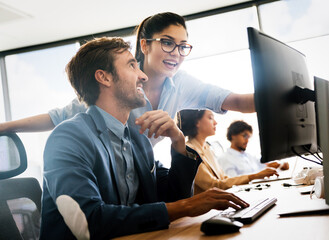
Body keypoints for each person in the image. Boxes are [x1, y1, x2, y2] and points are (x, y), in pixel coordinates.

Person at [40, 37, 249, 239]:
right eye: (132, 66)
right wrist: (186, 206)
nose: (143, 76)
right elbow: (88, 222)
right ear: (104, 77)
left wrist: (178, 142)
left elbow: (173, 199)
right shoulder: (68, 137)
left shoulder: (136, 138)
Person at [0, 12, 254, 146]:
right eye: (167, 43)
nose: (176, 53)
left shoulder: (184, 84)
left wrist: (286, 95)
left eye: (182, 46)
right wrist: (4, 128)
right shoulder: (118, 85)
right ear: (144, 45)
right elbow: (56, 117)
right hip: (109, 179)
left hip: (140, 175)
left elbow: (239, 102)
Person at [177, 109, 278, 194]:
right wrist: (253, 176)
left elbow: (223, 178)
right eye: (210, 118)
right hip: (204, 212)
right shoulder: (188, 151)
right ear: (196, 122)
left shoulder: (207, 148)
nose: (215, 122)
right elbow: (214, 185)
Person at [218, 120, 289, 177]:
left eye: (249, 137)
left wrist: (280, 165)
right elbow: (231, 182)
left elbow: (264, 167)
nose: (247, 140)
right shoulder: (225, 158)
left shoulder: (249, 156)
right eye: (244, 136)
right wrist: (258, 175)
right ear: (233, 135)